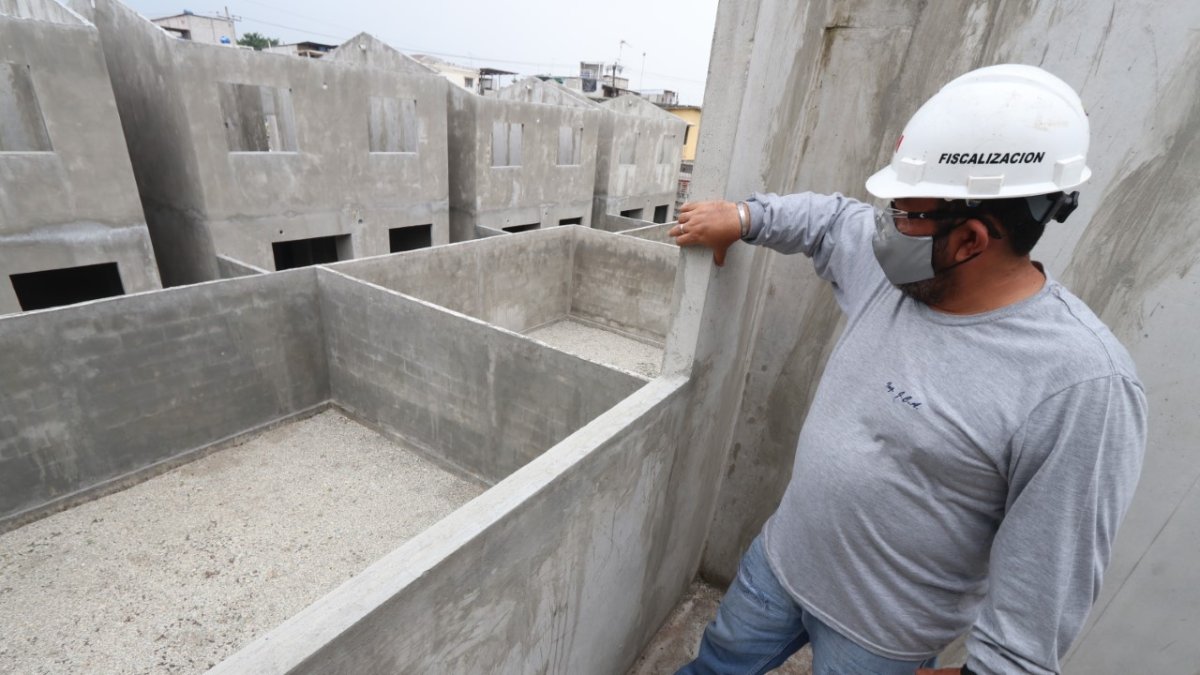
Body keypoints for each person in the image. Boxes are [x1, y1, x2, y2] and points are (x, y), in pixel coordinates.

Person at [669, 65, 1147, 675]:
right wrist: (745, 217)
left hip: (878, 645)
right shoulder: (904, 271)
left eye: (905, 213)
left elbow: (1034, 616)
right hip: (780, 567)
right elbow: (831, 221)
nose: (886, 226)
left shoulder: (1080, 387)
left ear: (971, 238)